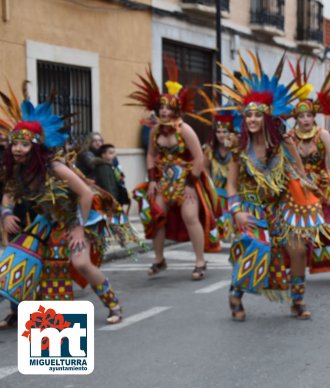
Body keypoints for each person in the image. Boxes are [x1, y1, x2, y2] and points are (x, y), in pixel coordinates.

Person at [210, 51, 330, 321]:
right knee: (256, 249)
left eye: (257, 115)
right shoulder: (239, 148)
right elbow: (231, 184)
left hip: (282, 207)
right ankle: (236, 293)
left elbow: (301, 175)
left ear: (267, 117)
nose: (252, 120)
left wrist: (315, 191)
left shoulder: (284, 143)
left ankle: (297, 300)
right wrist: (236, 212)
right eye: (248, 116)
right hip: (251, 207)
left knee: (298, 249)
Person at [0, 85, 139, 325]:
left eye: (24, 145)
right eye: (15, 144)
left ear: (35, 147)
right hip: (50, 222)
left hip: (81, 216)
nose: (17, 149)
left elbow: (85, 193)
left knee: (81, 262)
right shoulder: (18, 170)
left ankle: (113, 304)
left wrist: (78, 228)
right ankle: (18, 310)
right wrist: (5, 213)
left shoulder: (54, 168)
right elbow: (9, 195)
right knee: (21, 257)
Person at [130, 59, 221, 281]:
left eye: (168, 107)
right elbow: (151, 154)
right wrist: (152, 180)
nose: (164, 110)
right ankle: (159, 260)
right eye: (161, 107)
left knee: (190, 216)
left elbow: (199, 157)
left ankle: (200, 261)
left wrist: (191, 183)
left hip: (187, 180)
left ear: (176, 110)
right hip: (164, 180)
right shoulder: (154, 131)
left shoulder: (186, 130)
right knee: (156, 216)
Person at [288, 59, 330, 282]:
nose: (306, 119)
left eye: (309, 115)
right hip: (301, 186)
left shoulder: (323, 135)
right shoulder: (291, 137)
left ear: (314, 117)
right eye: (301, 116)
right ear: (296, 119)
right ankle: (299, 263)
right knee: (299, 226)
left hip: (323, 185)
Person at [196, 91, 240, 244]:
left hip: (233, 193)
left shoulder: (237, 148)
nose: (221, 135)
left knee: (232, 233)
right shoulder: (209, 149)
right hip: (216, 193)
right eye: (219, 132)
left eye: (225, 132)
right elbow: (204, 169)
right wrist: (209, 190)